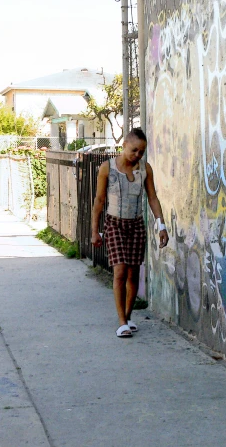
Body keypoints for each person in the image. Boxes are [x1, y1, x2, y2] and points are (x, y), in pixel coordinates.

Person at [91, 128, 169, 338]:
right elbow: (99, 201)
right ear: (124, 145)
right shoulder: (107, 168)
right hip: (114, 224)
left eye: (142, 152)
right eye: (134, 150)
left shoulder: (145, 169)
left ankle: (127, 316)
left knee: (134, 273)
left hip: (136, 225)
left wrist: (161, 225)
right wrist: (95, 231)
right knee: (120, 272)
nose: (137, 155)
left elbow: (152, 198)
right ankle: (121, 321)